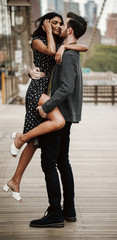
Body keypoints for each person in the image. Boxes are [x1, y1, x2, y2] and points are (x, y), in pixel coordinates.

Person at [2, 12, 88, 202]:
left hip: (47, 93)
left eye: (61, 24)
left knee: (35, 141)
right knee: (56, 124)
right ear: (45, 24)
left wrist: (64, 45)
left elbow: (84, 46)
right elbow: (49, 52)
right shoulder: (39, 40)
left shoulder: (61, 45)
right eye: (54, 23)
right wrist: (29, 71)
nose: (58, 26)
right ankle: (20, 139)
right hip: (38, 91)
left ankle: (15, 179)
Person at [29, 12, 87, 228]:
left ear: (69, 31)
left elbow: (66, 87)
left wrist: (47, 106)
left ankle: (55, 213)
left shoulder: (68, 55)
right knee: (62, 162)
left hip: (59, 115)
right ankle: (68, 210)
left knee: (49, 162)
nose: (60, 28)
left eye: (64, 26)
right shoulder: (69, 51)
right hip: (66, 114)